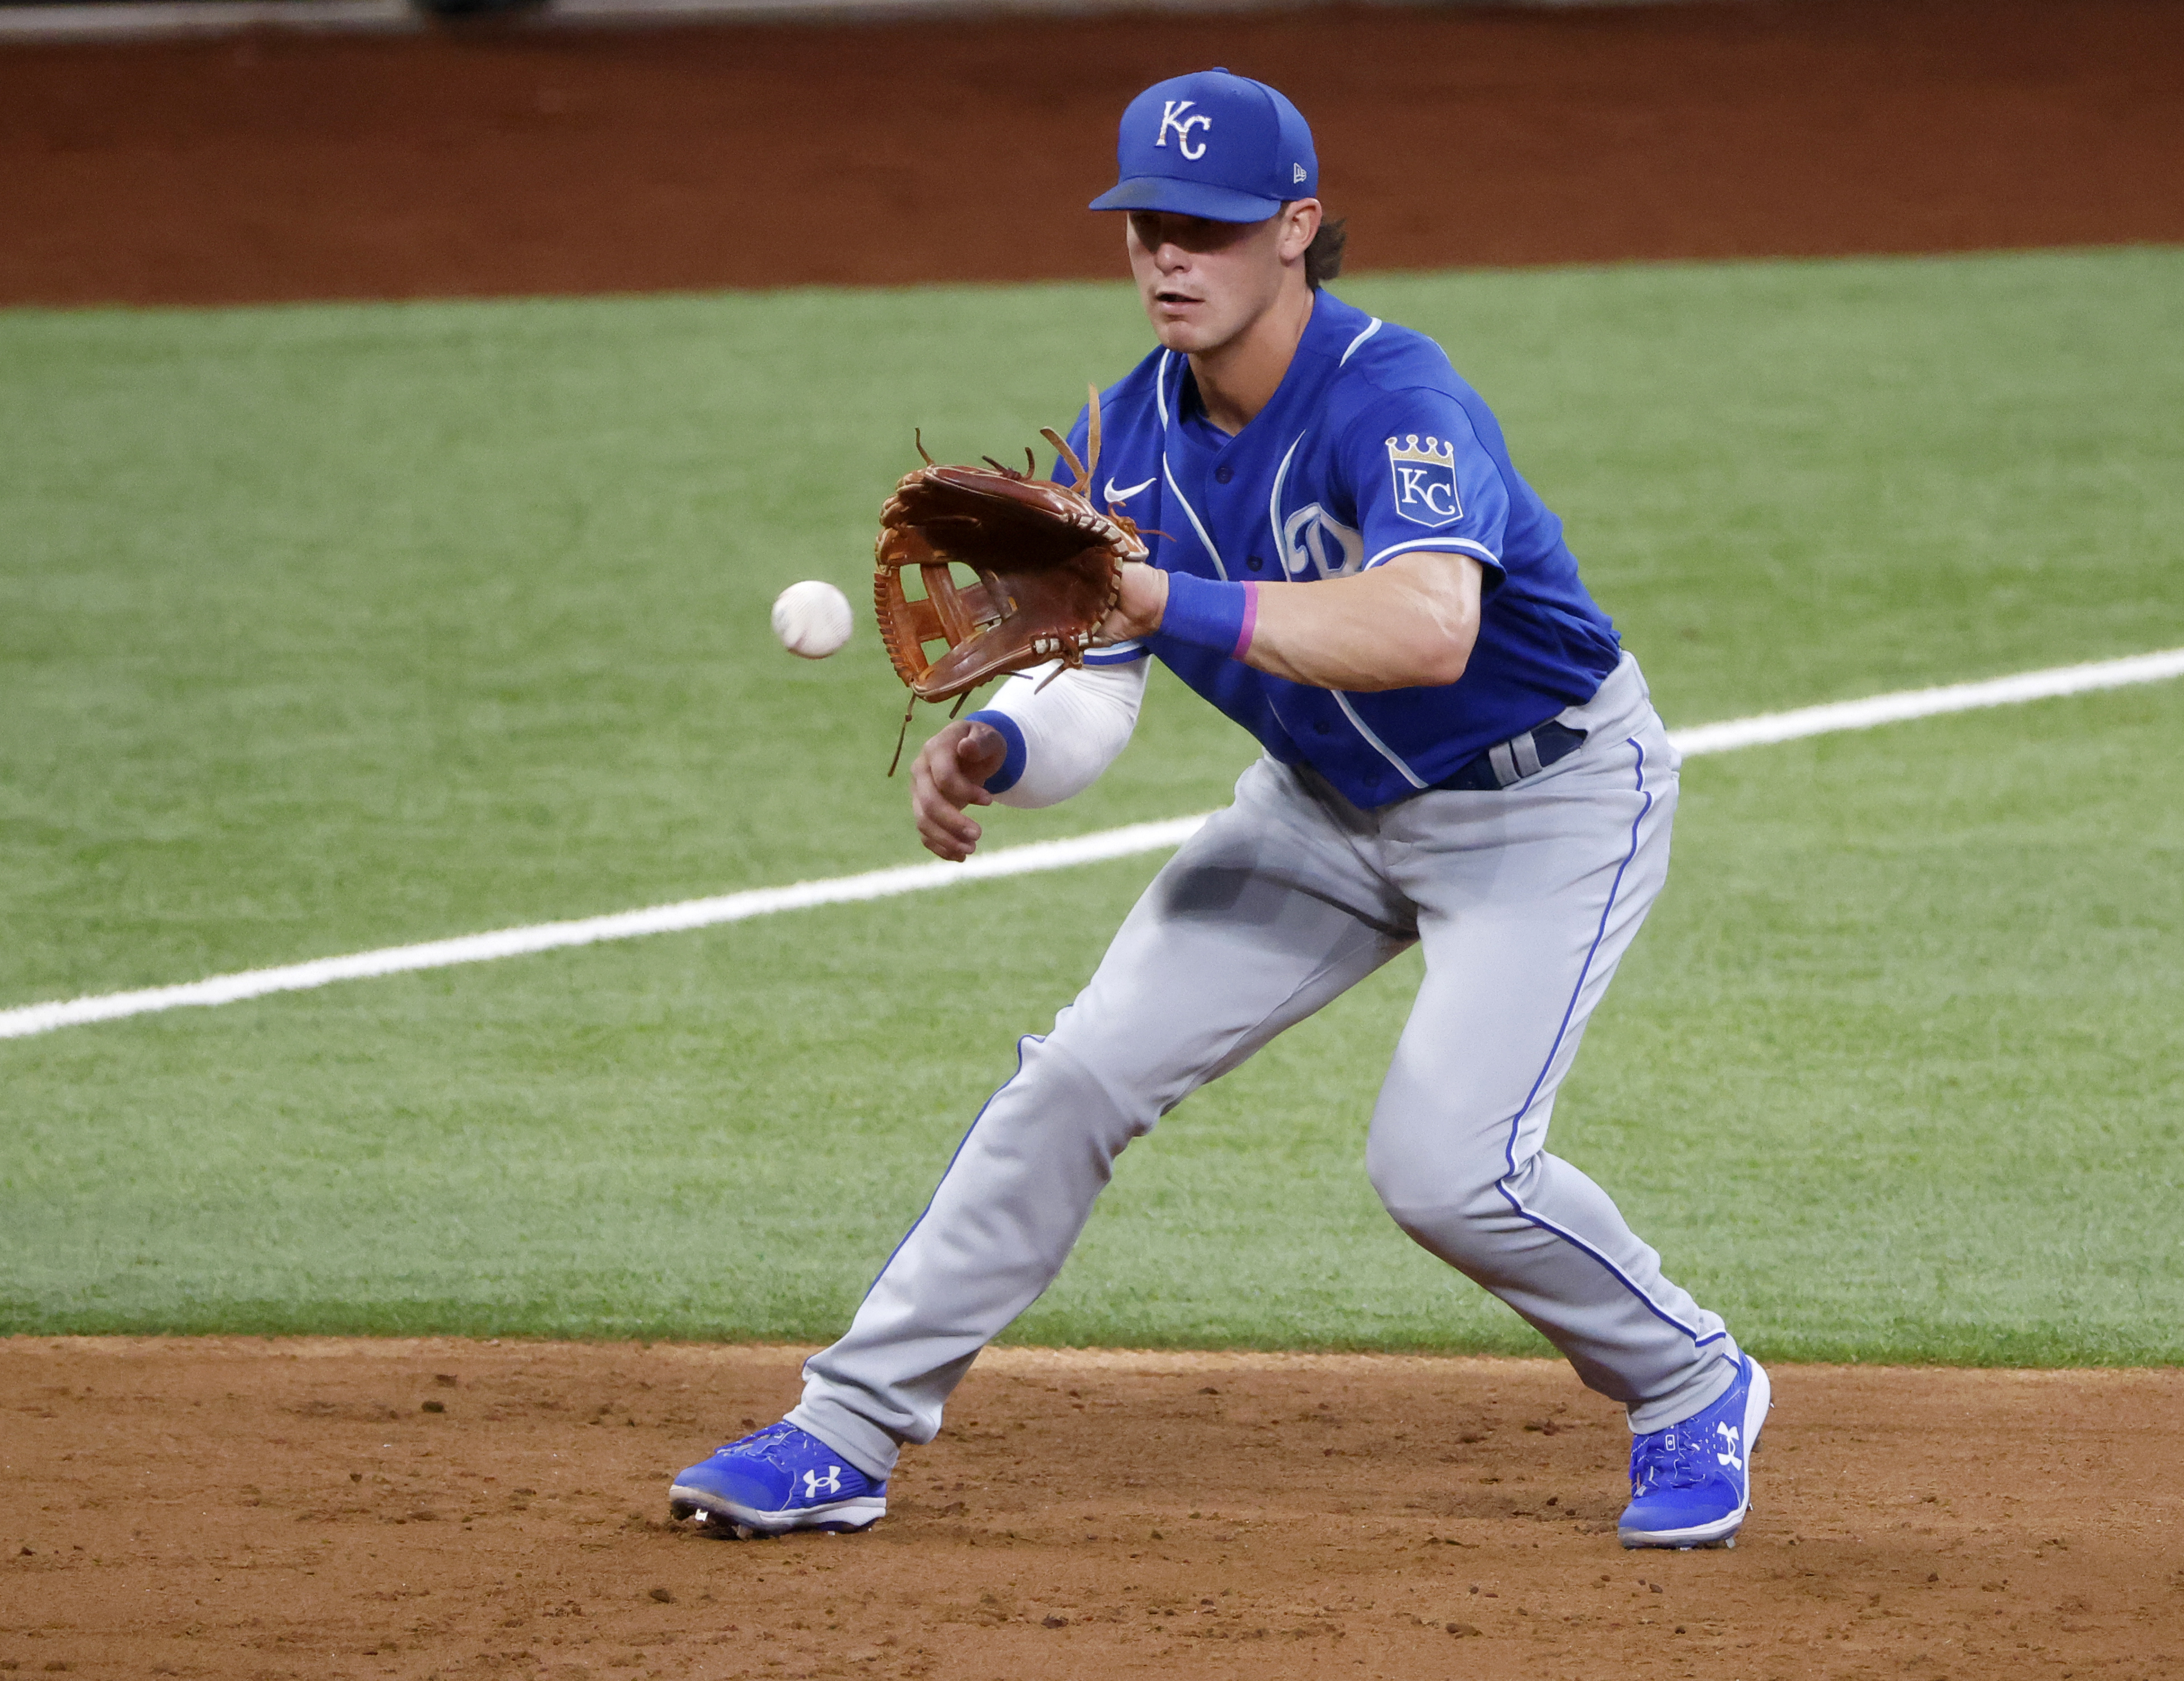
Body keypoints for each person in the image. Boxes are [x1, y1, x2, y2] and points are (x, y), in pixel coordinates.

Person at [670, 68, 1768, 1551]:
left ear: (1298, 229)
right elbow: (1096, 686)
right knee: (1069, 1080)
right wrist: (999, 744)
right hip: (1320, 811)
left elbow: (1425, 628)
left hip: (1546, 802)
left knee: (1446, 1169)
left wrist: (1149, 591)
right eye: (1144, 228)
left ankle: (1688, 1379)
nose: (1168, 257)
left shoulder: (1395, 394)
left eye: (1209, 226)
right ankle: (845, 1428)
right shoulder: (1124, 442)